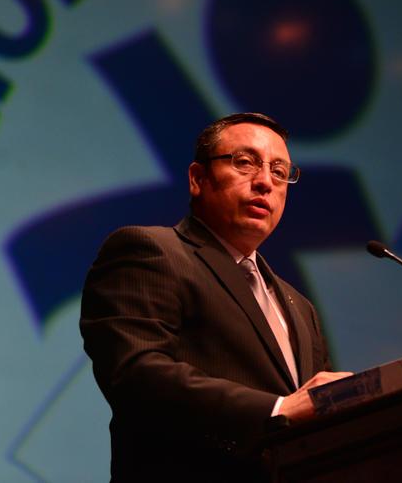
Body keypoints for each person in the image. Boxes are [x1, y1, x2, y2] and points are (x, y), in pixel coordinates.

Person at [80, 113, 350, 482]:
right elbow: (136, 374)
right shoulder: (151, 251)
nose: (265, 182)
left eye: (279, 171)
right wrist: (277, 410)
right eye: (245, 162)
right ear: (198, 179)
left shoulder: (300, 307)